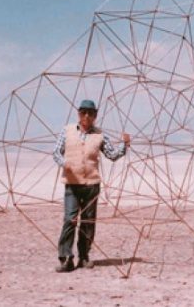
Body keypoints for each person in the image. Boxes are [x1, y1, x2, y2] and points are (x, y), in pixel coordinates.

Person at [52, 99, 131, 273]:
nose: (86, 116)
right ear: (78, 114)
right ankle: (66, 259)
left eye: (90, 113)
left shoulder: (100, 135)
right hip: (72, 184)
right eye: (83, 112)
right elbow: (56, 152)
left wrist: (124, 145)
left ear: (95, 116)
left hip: (91, 185)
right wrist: (63, 163)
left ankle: (84, 256)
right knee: (70, 220)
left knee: (88, 222)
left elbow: (112, 154)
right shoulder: (67, 131)